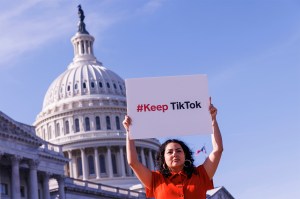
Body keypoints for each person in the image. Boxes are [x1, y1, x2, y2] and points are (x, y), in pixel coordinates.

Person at [122, 97, 223, 199]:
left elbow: (218, 150)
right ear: (163, 159)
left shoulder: (200, 174)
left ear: (185, 155)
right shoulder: (156, 179)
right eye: (170, 152)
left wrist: (213, 120)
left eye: (178, 151)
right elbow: (133, 162)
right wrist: (129, 131)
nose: (175, 154)